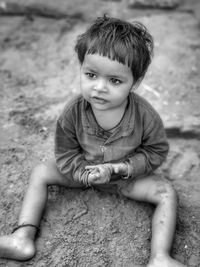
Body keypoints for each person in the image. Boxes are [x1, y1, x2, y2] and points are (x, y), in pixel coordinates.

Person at [0, 15, 185, 267]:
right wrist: (85, 174)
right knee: (42, 171)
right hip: (83, 172)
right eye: (91, 75)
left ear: (135, 82)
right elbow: (65, 154)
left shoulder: (145, 115)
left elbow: (155, 151)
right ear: (82, 68)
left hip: (123, 179)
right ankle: (22, 238)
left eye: (115, 80)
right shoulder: (72, 112)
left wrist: (121, 169)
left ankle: (160, 257)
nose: (99, 87)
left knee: (165, 192)